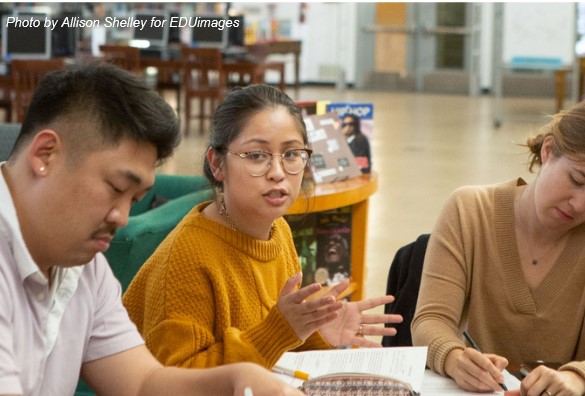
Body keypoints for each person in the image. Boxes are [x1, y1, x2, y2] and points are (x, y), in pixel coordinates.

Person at [0, 63, 301, 396]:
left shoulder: (83, 266)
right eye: (116, 188)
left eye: (135, 199)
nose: (123, 217)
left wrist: (237, 377)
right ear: (45, 154)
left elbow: (143, 383)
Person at [123, 84, 402, 370]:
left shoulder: (278, 230)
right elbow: (178, 380)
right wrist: (280, 331)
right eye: (257, 155)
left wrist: (315, 332)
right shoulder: (187, 258)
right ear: (217, 164)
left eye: (292, 155)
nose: (278, 173)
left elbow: (276, 348)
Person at [411, 101, 585, 396]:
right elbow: (431, 319)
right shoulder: (469, 211)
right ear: (547, 151)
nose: (580, 204)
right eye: (577, 180)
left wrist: (577, 377)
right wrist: (454, 359)